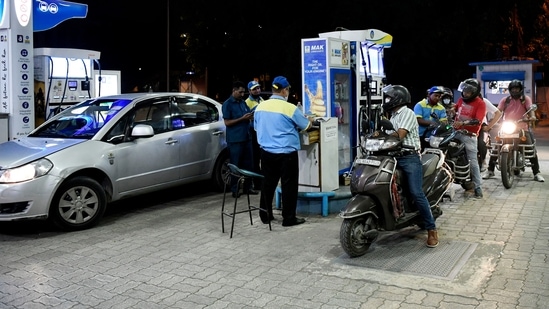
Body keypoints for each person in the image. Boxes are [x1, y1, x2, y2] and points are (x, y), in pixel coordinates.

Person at [380, 85, 439, 247]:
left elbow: (399, 135)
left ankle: (431, 229)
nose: (386, 101)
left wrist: (383, 133)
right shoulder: (392, 116)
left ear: (397, 98)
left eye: (388, 98)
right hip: (392, 157)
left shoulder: (406, 113)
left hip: (409, 158)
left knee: (416, 192)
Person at [254, 76, 313, 227]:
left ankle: (265, 215)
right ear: (284, 90)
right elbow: (306, 126)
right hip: (286, 154)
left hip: (266, 152)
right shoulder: (290, 108)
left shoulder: (260, 107)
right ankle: (288, 218)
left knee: (267, 184)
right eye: (288, 89)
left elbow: (256, 128)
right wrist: (310, 120)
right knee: (289, 186)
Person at [483, 79, 545, 182]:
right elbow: (498, 111)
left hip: (522, 128)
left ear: (520, 89)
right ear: (510, 90)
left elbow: (531, 110)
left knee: (531, 149)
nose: (515, 90)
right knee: (496, 148)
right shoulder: (505, 100)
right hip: (507, 127)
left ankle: (537, 172)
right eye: (513, 88)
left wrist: (532, 117)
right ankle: (490, 170)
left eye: (517, 88)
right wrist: (493, 119)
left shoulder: (525, 99)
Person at [222, 81, 258, 198]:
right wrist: (242, 119)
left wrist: (251, 116)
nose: (243, 94)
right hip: (235, 140)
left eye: (244, 92)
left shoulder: (243, 103)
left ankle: (248, 187)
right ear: (234, 90)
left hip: (247, 138)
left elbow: (248, 115)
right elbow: (227, 122)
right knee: (235, 166)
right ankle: (235, 189)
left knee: (249, 165)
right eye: (240, 92)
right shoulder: (228, 104)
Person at [453, 78, 487, 199]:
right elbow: (456, 108)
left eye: (468, 92)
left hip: (469, 135)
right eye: (464, 91)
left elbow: (477, 120)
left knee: (473, 162)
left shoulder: (480, 103)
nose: (465, 93)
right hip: (455, 132)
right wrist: (452, 109)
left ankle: (478, 187)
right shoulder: (461, 99)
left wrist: (462, 124)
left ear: (475, 92)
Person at [414, 86, 448, 151]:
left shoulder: (441, 108)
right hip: (419, 136)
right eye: (436, 96)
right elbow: (418, 120)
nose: (438, 98)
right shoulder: (420, 105)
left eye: (439, 96)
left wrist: (441, 124)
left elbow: (444, 122)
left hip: (434, 138)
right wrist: (433, 123)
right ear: (429, 95)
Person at [245, 80, 265, 189]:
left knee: (262, 158)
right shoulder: (247, 102)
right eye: (254, 89)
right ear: (249, 91)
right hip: (253, 133)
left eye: (258, 88)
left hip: (262, 132)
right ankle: (257, 184)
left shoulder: (261, 100)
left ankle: (261, 181)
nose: (257, 90)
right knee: (255, 159)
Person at [477, 96, 502, 172]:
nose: (467, 94)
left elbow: (498, 113)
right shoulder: (463, 100)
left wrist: (489, 126)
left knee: (481, 143)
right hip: (465, 126)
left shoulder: (483, 101)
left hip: (480, 126)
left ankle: (482, 160)